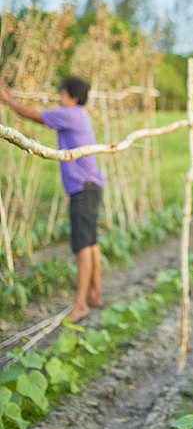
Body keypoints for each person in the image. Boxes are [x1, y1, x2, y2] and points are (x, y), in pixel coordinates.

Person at [0, 77, 106, 322]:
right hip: (91, 187)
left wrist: (7, 100)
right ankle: (95, 294)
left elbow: (33, 115)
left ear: (73, 98)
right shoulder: (80, 115)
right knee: (91, 243)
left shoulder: (69, 114)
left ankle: (80, 304)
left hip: (83, 189)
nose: (59, 98)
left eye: (62, 94)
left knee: (82, 247)